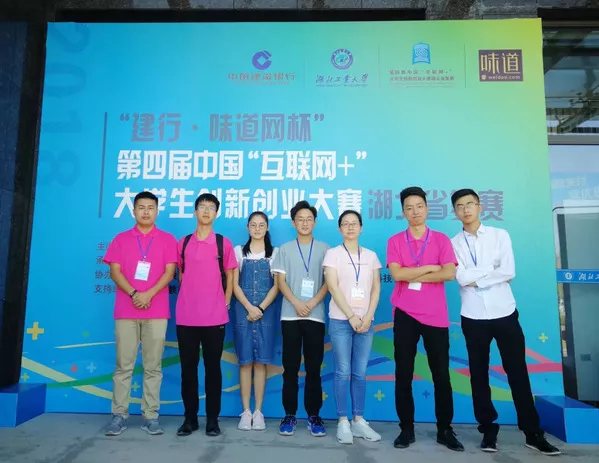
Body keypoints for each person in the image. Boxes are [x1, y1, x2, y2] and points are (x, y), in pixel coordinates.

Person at [450, 189, 561, 456]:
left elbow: (508, 271)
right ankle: (488, 430)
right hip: (473, 315)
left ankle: (532, 432)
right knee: (478, 375)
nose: (466, 210)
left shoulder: (500, 235)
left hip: (504, 312)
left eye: (470, 204)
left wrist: (477, 276)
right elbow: (461, 277)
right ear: (455, 212)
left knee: (517, 372)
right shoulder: (453, 243)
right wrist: (490, 272)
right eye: (460, 206)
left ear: (480, 206)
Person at [386, 186, 463, 451]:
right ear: (403, 212)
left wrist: (413, 272)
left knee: (441, 375)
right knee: (403, 374)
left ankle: (445, 429)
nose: (415, 212)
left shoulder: (441, 240)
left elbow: (449, 274)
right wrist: (430, 267)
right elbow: (397, 275)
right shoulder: (395, 241)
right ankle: (406, 429)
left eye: (419, 206)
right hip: (405, 314)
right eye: (409, 208)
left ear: (427, 208)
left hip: (435, 315)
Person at [103, 191, 178, 436]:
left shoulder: (167, 239)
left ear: (157, 211)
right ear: (133, 210)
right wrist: (135, 293)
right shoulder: (121, 239)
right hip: (126, 311)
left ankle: (150, 415)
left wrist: (148, 295)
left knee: (153, 366)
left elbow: (169, 273)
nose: (146, 212)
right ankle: (119, 414)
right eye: (141, 207)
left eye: (150, 207)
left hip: (157, 311)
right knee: (123, 366)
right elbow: (115, 271)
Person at [175, 193, 237, 437]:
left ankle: (212, 420)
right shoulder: (183, 243)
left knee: (213, 370)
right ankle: (190, 419)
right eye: (202, 207)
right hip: (186, 317)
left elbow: (231, 275)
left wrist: (226, 300)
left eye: (211, 207)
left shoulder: (223, 243)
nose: (206, 211)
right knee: (188, 370)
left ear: (216, 213)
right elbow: (181, 274)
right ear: (195, 211)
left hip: (214, 317)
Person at [323, 210, 382, 445]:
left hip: (366, 321)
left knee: (360, 372)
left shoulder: (371, 256)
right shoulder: (333, 254)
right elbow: (332, 287)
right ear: (339, 229)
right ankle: (343, 421)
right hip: (341, 320)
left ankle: (358, 419)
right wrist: (350, 316)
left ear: (361, 228)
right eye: (345, 224)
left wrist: (367, 316)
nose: (350, 227)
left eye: (354, 223)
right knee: (342, 371)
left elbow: (376, 288)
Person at [271, 200, 330, 437]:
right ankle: (290, 414)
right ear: (293, 223)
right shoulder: (284, 249)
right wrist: (296, 303)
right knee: (290, 367)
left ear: (315, 223)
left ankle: (314, 415)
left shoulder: (325, 249)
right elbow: (280, 282)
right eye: (300, 219)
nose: (305, 223)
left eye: (309, 219)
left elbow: (329, 282)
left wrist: (312, 303)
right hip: (290, 315)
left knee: (314, 368)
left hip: (315, 316)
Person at [232, 211, 280, 431]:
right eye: (253, 225)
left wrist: (260, 308)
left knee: (261, 362)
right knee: (244, 361)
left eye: (262, 225)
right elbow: (234, 285)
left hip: (266, 312)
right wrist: (249, 307)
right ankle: (246, 412)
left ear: (267, 227)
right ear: (247, 227)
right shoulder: (238, 252)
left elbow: (277, 286)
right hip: (243, 310)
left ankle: (258, 412)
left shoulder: (275, 253)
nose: (257, 229)